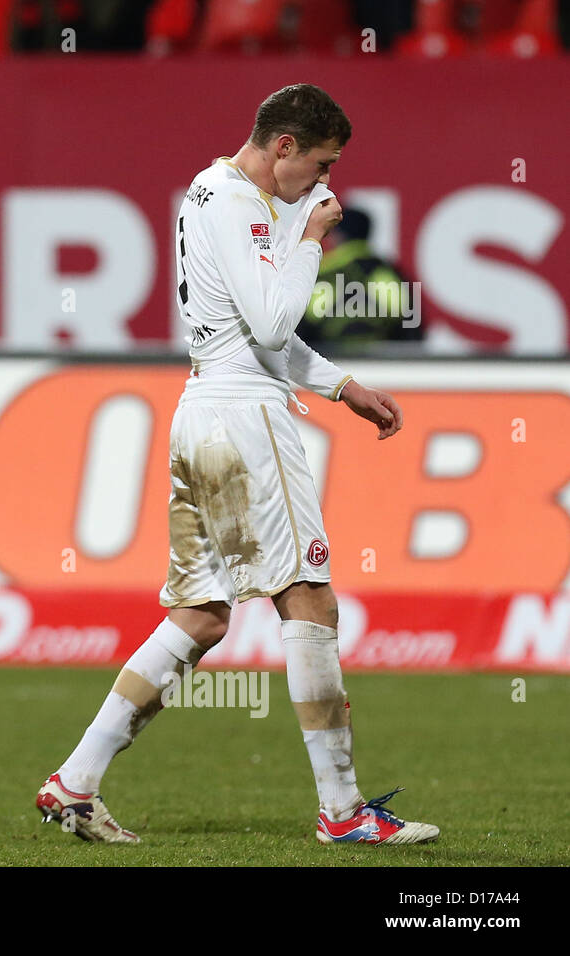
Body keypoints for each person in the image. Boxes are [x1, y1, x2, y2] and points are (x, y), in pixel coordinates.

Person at [35, 84, 439, 846]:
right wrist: (310, 238)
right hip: (247, 422)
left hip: (205, 412)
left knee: (201, 613)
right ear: (283, 146)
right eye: (318, 167)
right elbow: (274, 318)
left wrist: (343, 385)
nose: (322, 185)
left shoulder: (210, 191)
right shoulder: (245, 206)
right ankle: (344, 812)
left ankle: (74, 782)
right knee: (311, 603)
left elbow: (262, 336)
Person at [295, 206, 424, 351]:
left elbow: (299, 330)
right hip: (382, 364)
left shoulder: (319, 274)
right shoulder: (389, 273)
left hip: (331, 364)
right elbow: (412, 329)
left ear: (338, 235)